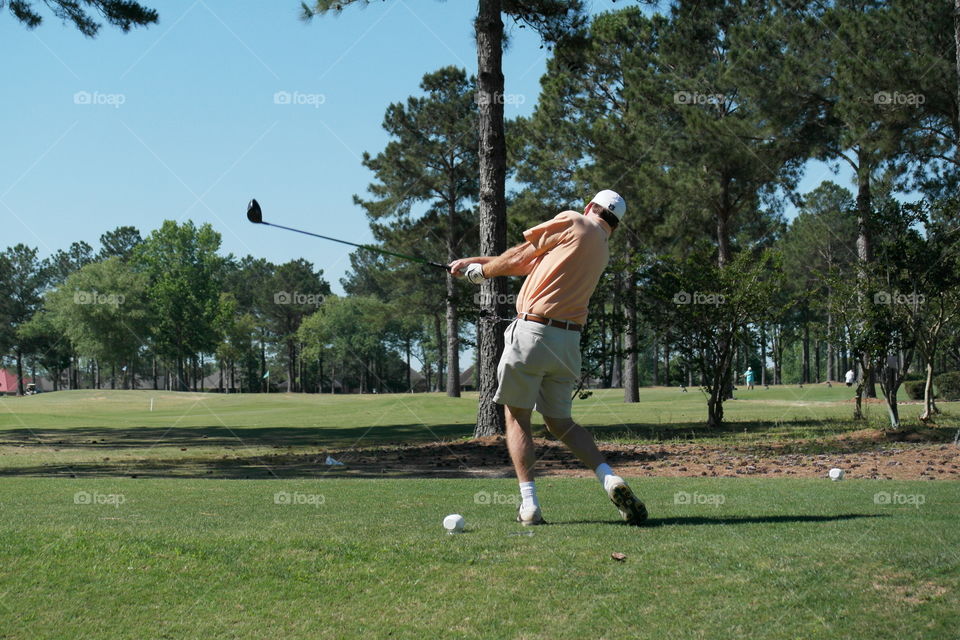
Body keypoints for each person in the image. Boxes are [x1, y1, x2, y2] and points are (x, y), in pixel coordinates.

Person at [450, 190, 647, 526]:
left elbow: (520, 256)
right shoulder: (601, 247)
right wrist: (478, 264)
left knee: (517, 418)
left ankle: (530, 506)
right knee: (561, 423)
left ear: (590, 207)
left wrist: (480, 274)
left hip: (532, 334)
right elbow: (527, 262)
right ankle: (609, 478)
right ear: (614, 224)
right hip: (568, 342)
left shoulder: (574, 220)